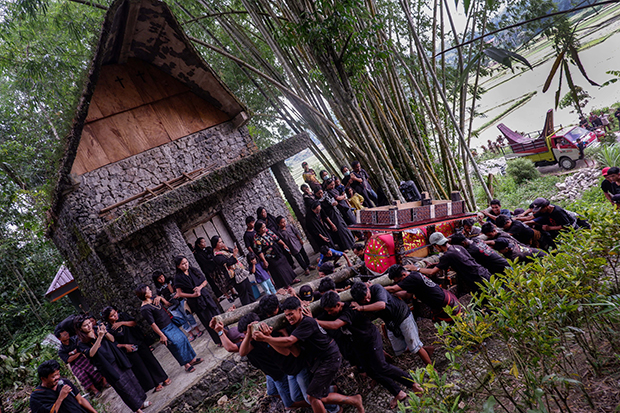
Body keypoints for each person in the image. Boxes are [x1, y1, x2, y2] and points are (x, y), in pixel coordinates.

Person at [253, 297, 365, 413]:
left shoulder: (307, 322)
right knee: (314, 396)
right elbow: (295, 352)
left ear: (300, 310)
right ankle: (353, 400)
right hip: (319, 361)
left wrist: (266, 339)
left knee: (312, 396)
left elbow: (290, 341)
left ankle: (353, 401)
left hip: (329, 358)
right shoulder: (294, 325)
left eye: (291, 314)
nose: (289, 318)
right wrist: (273, 337)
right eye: (286, 315)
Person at [318, 291, 421, 409]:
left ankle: (413, 384)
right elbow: (320, 317)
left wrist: (315, 322)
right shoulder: (331, 312)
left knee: (381, 366)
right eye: (327, 311)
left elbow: (336, 324)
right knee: (370, 371)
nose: (329, 313)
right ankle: (398, 393)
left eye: (331, 310)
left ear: (338, 304)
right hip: (358, 344)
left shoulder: (349, 309)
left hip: (370, 338)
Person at [213, 314, 309, 410]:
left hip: (279, 373)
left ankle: (312, 404)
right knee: (273, 393)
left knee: (290, 403)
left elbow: (287, 351)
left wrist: (220, 332)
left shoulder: (265, 337)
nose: (245, 336)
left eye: (246, 333)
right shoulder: (251, 341)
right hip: (270, 374)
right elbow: (241, 352)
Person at [74, 316, 149, 413]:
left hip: (116, 357)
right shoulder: (81, 342)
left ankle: (141, 403)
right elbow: (91, 354)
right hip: (106, 366)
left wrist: (105, 333)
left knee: (131, 379)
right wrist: (100, 337)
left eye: (89, 323)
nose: (89, 326)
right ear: (80, 328)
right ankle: (137, 409)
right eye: (85, 325)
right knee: (122, 387)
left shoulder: (97, 329)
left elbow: (112, 339)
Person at [349, 281, 431, 364]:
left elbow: (381, 305)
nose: (367, 300)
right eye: (363, 300)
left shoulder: (377, 288)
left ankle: (432, 368)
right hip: (391, 322)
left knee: (415, 346)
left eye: (367, 296)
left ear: (367, 289)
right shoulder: (358, 301)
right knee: (399, 349)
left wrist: (361, 307)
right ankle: (424, 350)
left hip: (402, 315)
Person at [136, 284, 203, 373]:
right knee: (175, 346)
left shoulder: (154, 298)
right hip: (163, 329)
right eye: (148, 290)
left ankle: (191, 359)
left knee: (183, 339)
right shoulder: (145, 309)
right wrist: (161, 335)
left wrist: (160, 298)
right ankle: (186, 365)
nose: (150, 291)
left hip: (170, 324)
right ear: (143, 293)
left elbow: (168, 304)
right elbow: (152, 324)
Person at [102, 306, 170, 393]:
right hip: (129, 349)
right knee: (141, 368)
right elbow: (114, 343)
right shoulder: (108, 329)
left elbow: (134, 323)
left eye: (115, 313)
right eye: (112, 316)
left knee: (151, 361)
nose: (115, 316)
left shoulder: (122, 316)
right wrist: (125, 346)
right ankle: (155, 384)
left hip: (138, 341)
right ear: (108, 318)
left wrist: (122, 323)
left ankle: (163, 378)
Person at [413, 232, 491, 296]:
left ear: (436, 246)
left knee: (485, 305)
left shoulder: (447, 255)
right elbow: (461, 261)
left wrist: (416, 268)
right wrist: (437, 264)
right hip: (484, 273)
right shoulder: (457, 247)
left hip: (478, 280)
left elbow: (432, 272)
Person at [173, 255, 222, 345]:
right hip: (196, 302)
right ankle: (218, 340)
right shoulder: (178, 278)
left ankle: (226, 334)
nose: (186, 265)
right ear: (178, 266)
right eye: (183, 264)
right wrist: (192, 295)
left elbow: (204, 281)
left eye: (186, 262)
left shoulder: (193, 270)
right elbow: (179, 293)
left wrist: (199, 287)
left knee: (217, 315)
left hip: (205, 296)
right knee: (207, 320)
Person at [386, 265, 461, 322]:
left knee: (455, 326)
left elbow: (393, 288)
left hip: (443, 302)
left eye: (399, 281)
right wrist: (393, 294)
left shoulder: (411, 279)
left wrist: (377, 288)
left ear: (404, 274)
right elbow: (407, 295)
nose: (399, 283)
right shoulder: (413, 275)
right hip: (444, 299)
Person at [30, 360, 98, 413]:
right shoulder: (37, 397)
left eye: (58, 374)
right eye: (53, 376)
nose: (57, 377)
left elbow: (80, 399)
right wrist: (61, 397)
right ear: (43, 379)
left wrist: (94, 412)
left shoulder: (64, 382)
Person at [152, 271, 202, 341]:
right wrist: (164, 300)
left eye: (162, 277)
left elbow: (179, 286)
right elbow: (158, 297)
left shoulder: (170, 280)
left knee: (188, 315)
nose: (162, 279)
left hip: (180, 300)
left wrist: (178, 293)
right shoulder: (158, 288)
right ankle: (190, 334)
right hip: (171, 305)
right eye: (159, 279)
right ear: (156, 280)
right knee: (181, 319)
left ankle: (197, 330)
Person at [56, 330, 106, 397]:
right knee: (81, 375)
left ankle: (105, 382)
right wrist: (78, 352)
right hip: (74, 364)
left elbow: (81, 347)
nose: (67, 335)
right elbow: (68, 359)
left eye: (66, 333)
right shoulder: (61, 350)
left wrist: (74, 353)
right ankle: (95, 390)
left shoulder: (75, 339)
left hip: (84, 356)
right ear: (59, 338)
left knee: (93, 365)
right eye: (64, 335)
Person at [254, 220, 299, 288]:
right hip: (269, 256)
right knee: (279, 269)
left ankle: (292, 279)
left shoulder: (268, 231)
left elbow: (276, 238)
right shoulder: (257, 239)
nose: (264, 228)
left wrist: (284, 244)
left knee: (285, 265)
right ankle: (286, 285)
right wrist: (264, 260)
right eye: (262, 227)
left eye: (264, 226)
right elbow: (259, 251)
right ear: (258, 229)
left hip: (277, 251)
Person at [212, 235, 255, 306]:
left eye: (222, 241)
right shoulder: (216, 256)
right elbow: (228, 262)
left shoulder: (223, 250)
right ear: (215, 244)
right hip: (234, 276)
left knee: (249, 291)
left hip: (241, 272)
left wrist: (227, 248)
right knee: (244, 294)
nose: (222, 243)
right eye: (220, 242)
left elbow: (233, 252)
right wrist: (234, 254)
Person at [315, 187, 355, 251]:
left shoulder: (327, 195)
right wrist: (331, 224)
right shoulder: (318, 202)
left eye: (321, 193)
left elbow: (334, 200)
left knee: (344, 228)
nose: (320, 195)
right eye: (318, 194)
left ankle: (351, 242)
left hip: (336, 213)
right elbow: (324, 215)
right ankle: (345, 247)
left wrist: (335, 203)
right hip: (330, 218)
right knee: (339, 232)